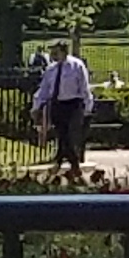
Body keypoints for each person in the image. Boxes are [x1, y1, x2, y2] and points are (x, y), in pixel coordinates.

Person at [32, 37, 96, 176]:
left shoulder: (76, 66)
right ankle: (65, 162)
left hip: (73, 104)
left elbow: (84, 87)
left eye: (56, 52)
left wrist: (87, 106)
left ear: (64, 51)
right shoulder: (51, 69)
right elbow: (44, 89)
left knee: (69, 135)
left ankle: (66, 163)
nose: (53, 55)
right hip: (57, 104)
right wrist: (37, 106)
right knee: (61, 135)